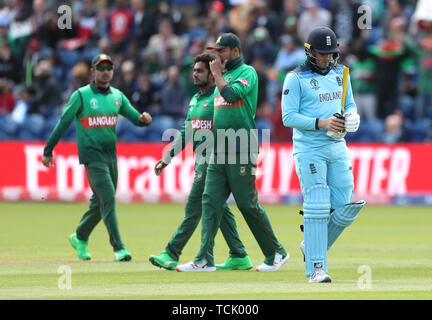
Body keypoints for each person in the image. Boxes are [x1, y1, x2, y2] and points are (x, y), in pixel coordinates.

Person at [176, 33, 289, 272]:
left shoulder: (247, 73)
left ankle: (276, 252)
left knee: (247, 204)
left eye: (222, 51)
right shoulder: (222, 76)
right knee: (210, 201)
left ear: (235, 52)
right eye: (215, 51)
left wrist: (216, 74)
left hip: (241, 147)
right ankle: (204, 258)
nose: (217, 55)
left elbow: (231, 95)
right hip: (219, 148)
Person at [41, 54, 152, 262]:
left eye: (109, 67)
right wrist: (48, 150)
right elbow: (63, 122)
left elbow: (135, 118)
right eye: (101, 68)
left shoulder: (117, 96)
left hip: (111, 156)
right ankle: (119, 248)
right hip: (92, 156)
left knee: (99, 203)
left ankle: (80, 236)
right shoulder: (81, 95)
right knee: (108, 199)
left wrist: (144, 120)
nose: (106, 71)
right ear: (92, 71)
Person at [149, 53, 252, 271]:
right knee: (218, 208)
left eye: (200, 71)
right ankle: (239, 255)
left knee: (194, 206)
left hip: (214, 157)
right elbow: (186, 131)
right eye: (194, 70)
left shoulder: (218, 98)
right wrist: (167, 158)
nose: (194, 74)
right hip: (200, 159)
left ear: (212, 75)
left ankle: (171, 253)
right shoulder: (195, 99)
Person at [281, 27, 365, 283]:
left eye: (330, 54)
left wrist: (350, 117)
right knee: (317, 205)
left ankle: (314, 244)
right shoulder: (295, 78)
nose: (327, 59)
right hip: (309, 148)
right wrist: (322, 123)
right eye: (321, 54)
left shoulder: (342, 73)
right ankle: (317, 268)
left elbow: (348, 104)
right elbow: (288, 117)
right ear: (309, 52)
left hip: (337, 146)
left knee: (346, 206)